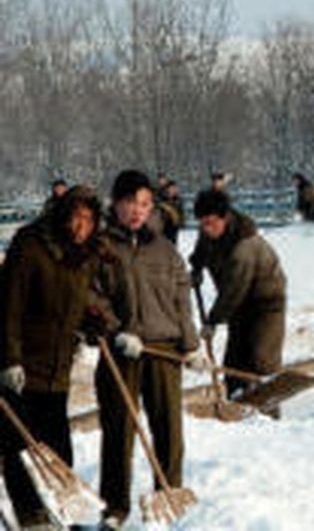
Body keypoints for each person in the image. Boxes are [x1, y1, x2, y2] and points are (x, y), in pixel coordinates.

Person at [95, 169, 202, 527]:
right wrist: (117, 331)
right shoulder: (102, 248)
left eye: (144, 203)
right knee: (118, 431)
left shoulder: (166, 250)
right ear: (117, 205)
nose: (137, 211)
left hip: (163, 350)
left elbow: (181, 298)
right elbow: (91, 298)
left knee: (169, 428)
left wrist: (191, 345)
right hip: (121, 351)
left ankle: (169, 495)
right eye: (130, 203)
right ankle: (115, 506)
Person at [0, 185, 106, 529]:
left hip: (57, 366)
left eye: (89, 219)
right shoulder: (30, 246)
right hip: (22, 365)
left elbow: (78, 302)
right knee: (21, 448)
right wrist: (9, 359)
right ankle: (31, 516)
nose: (81, 226)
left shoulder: (86, 255)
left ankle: (61, 512)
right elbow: (9, 306)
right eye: (76, 217)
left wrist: (90, 323)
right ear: (62, 215)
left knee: (58, 446)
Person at [190, 190, 287, 397]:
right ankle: (236, 402)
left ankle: (268, 409)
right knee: (235, 360)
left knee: (261, 358)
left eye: (211, 223)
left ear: (225, 218)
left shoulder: (244, 246)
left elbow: (233, 290)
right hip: (240, 303)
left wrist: (213, 321)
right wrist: (196, 268)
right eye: (202, 224)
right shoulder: (209, 231)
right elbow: (201, 250)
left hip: (266, 302)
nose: (206, 229)